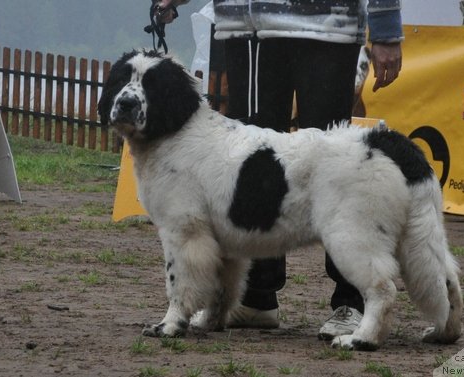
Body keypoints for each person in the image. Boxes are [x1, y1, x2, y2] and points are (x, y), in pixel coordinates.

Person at [156, 0, 403, 340]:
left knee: (335, 168)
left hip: (328, 24)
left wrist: (386, 28)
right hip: (247, 27)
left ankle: (352, 301)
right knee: (248, 168)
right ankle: (257, 296)